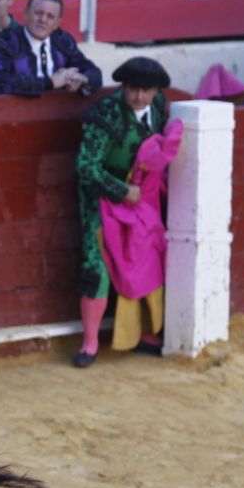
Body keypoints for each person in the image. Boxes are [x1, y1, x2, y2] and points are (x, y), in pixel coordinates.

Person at [72, 57, 173, 367]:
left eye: (145, 91)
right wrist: (120, 190)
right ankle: (89, 343)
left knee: (147, 260)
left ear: (156, 90)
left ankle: (146, 334)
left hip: (141, 201)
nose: (138, 97)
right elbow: (85, 167)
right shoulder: (104, 114)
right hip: (101, 201)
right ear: (123, 87)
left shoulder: (159, 108)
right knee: (96, 266)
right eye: (132, 90)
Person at [0, 0, 100, 98]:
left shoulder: (62, 41)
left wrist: (84, 78)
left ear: (57, 23)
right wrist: (50, 83)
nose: (43, 20)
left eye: (50, 16)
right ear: (26, 14)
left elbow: (93, 72)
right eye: (38, 13)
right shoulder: (3, 42)